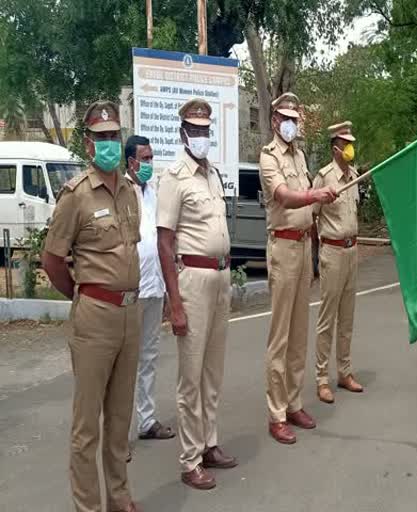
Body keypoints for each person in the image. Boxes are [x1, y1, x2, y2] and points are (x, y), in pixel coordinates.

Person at [41, 101, 142, 512]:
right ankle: (88, 506)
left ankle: (118, 498)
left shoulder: (129, 189)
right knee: (87, 426)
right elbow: (52, 260)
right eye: (100, 137)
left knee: (120, 420)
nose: (109, 143)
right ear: (88, 143)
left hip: (130, 316)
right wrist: (85, 297)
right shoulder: (76, 196)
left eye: (113, 136)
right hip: (95, 317)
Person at [156, 98, 236, 490]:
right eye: (196, 129)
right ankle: (189, 461)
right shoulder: (174, 177)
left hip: (220, 280)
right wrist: (175, 304)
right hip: (192, 283)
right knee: (190, 377)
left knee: (212, 373)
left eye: (207, 130)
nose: (202, 135)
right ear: (183, 132)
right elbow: (165, 242)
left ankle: (209, 444)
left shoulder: (213, 175)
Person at [259, 92, 336, 444]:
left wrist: (322, 202)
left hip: (304, 246)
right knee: (280, 336)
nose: (291, 123)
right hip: (284, 247)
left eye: (295, 118)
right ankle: (276, 413)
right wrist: (315, 196)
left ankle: (293, 402)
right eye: (285, 118)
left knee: (299, 330)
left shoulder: (301, 154)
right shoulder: (268, 157)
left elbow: (309, 207)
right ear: (275, 121)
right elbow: (284, 196)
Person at [124, 135, 175, 443]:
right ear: (131, 161)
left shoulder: (153, 192)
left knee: (149, 356)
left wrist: (170, 289)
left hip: (154, 287)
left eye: (151, 157)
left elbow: (163, 240)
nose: (149, 163)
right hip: (129, 290)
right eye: (145, 158)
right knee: (123, 362)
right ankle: (116, 432)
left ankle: (146, 420)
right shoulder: (119, 192)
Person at [313, 121, 364, 404]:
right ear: (335, 148)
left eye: (351, 143)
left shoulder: (353, 175)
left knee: (347, 317)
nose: (350, 148)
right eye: (345, 144)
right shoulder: (323, 177)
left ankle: (344, 371)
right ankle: (321, 378)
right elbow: (312, 215)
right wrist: (313, 260)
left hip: (352, 251)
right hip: (331, 252)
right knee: (327, 319)